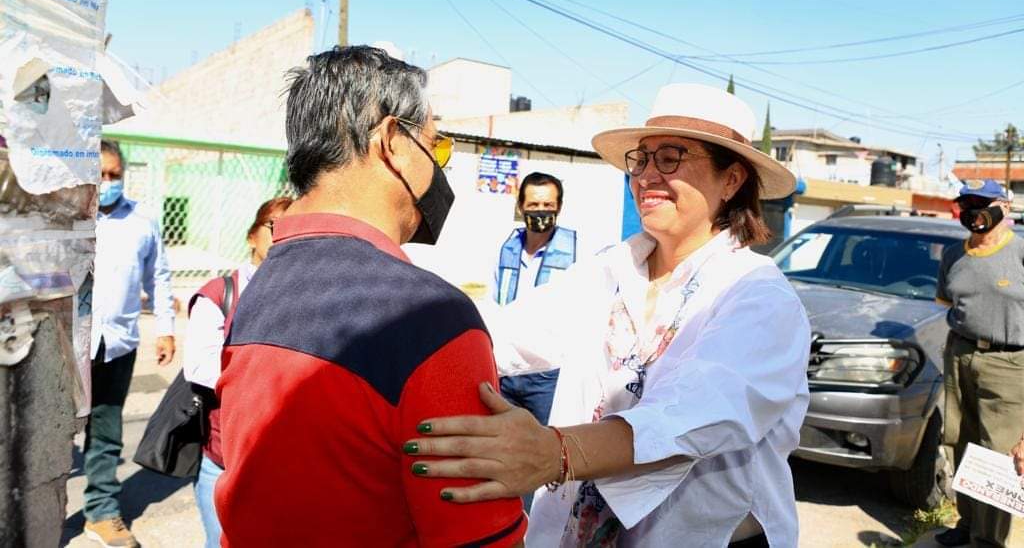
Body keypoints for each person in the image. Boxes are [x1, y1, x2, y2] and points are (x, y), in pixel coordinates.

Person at [403, 83, 811, 547]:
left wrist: (554, 452)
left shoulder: (757, 295)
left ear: (731, 180)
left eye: (670, 158)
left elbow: (694, 417)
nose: (646, 176)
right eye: (641, 159)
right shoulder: (609, 272)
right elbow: (504, 333)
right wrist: (397, 300)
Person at [213, 46, 526, 547]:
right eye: (436, 146)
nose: (439, 168)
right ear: (393, 142)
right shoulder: (432, 317)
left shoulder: (257, 287)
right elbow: (481, 538)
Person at [181, 195, 292, 548]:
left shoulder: (304, 294)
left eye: (294, 228)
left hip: (286, 460)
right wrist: (273, 374)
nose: (284, 236)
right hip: (226, 458)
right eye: (275, 226)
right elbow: (200, 365)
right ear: (251, 236)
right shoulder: (221, 293)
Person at [86, 139, 176, 548]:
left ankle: (101, 512)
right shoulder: (66, 216)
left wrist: (165, 328)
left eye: (114, 175)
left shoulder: (142, 219)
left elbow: (158, 277)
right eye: (100, 175)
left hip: (117, 343)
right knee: (48, 433)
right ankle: (33, 513)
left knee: (106, 432)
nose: (108, 182)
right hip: (67, 345)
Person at [934, 179, 1024, 548]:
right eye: (968, 204)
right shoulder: (953, 256)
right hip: (960, 354)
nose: (975, 212)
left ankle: (989, 540)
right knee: (960, 441)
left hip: (1008, 361)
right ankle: (968, 523)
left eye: (983, 203)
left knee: (997, 454)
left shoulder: (1020, 252)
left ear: (1005, 207)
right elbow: (948, 303)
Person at [494, 171, 578, 429]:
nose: (540, 211)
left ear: (559, 207)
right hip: (506, 371)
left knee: (548, 442)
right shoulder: (505, 248)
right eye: (533, 204)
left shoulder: (577, 250)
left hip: (548, 375)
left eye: (547, 205)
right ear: (521, 207)